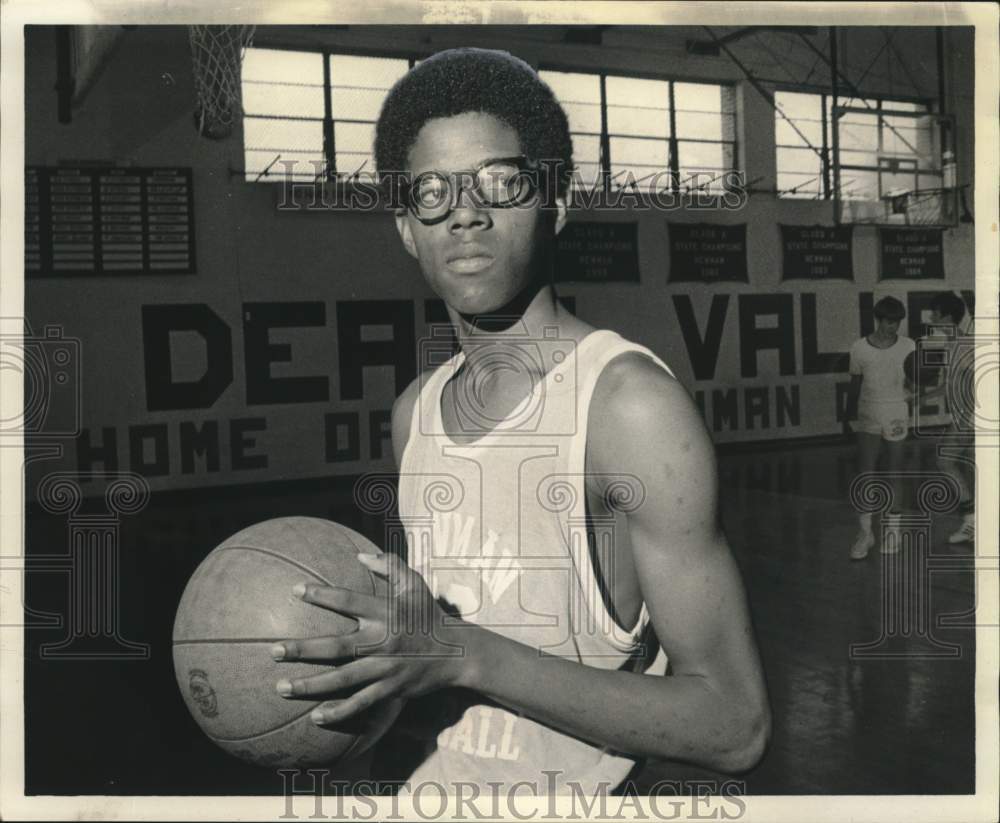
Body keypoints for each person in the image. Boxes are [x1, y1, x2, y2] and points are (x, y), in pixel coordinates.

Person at [270, 47, 770, 796]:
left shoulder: (626, 407)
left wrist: (466, 653)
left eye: (501, 182)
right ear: (407, 226)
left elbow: (735, 725)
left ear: (555, 202)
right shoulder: (417, 414)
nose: (464, 212)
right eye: (432, 192)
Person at [844, 296, 915, 560]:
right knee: (866, 473)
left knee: (895, 471)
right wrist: (846, 417)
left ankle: (893, 531)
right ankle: (865, 533)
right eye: (888, 322)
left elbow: (914, 382)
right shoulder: (859, 348)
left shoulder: (909, 346)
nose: (892, 328)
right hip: (868, 412)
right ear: (878, 319)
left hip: (896, 411)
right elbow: (854, 384)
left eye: (897, 323)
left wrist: (915, 388)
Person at [919, 292, 975, 544]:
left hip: (972, 416)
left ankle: (972, 519)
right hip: (968, 416)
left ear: (947, 316)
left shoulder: (965, 345)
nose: (931, 317)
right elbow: (952, 384)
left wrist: (969, 418)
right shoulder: (952, 344)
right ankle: (974, 521)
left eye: (935, 313)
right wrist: (921, 397)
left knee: (945, 460)